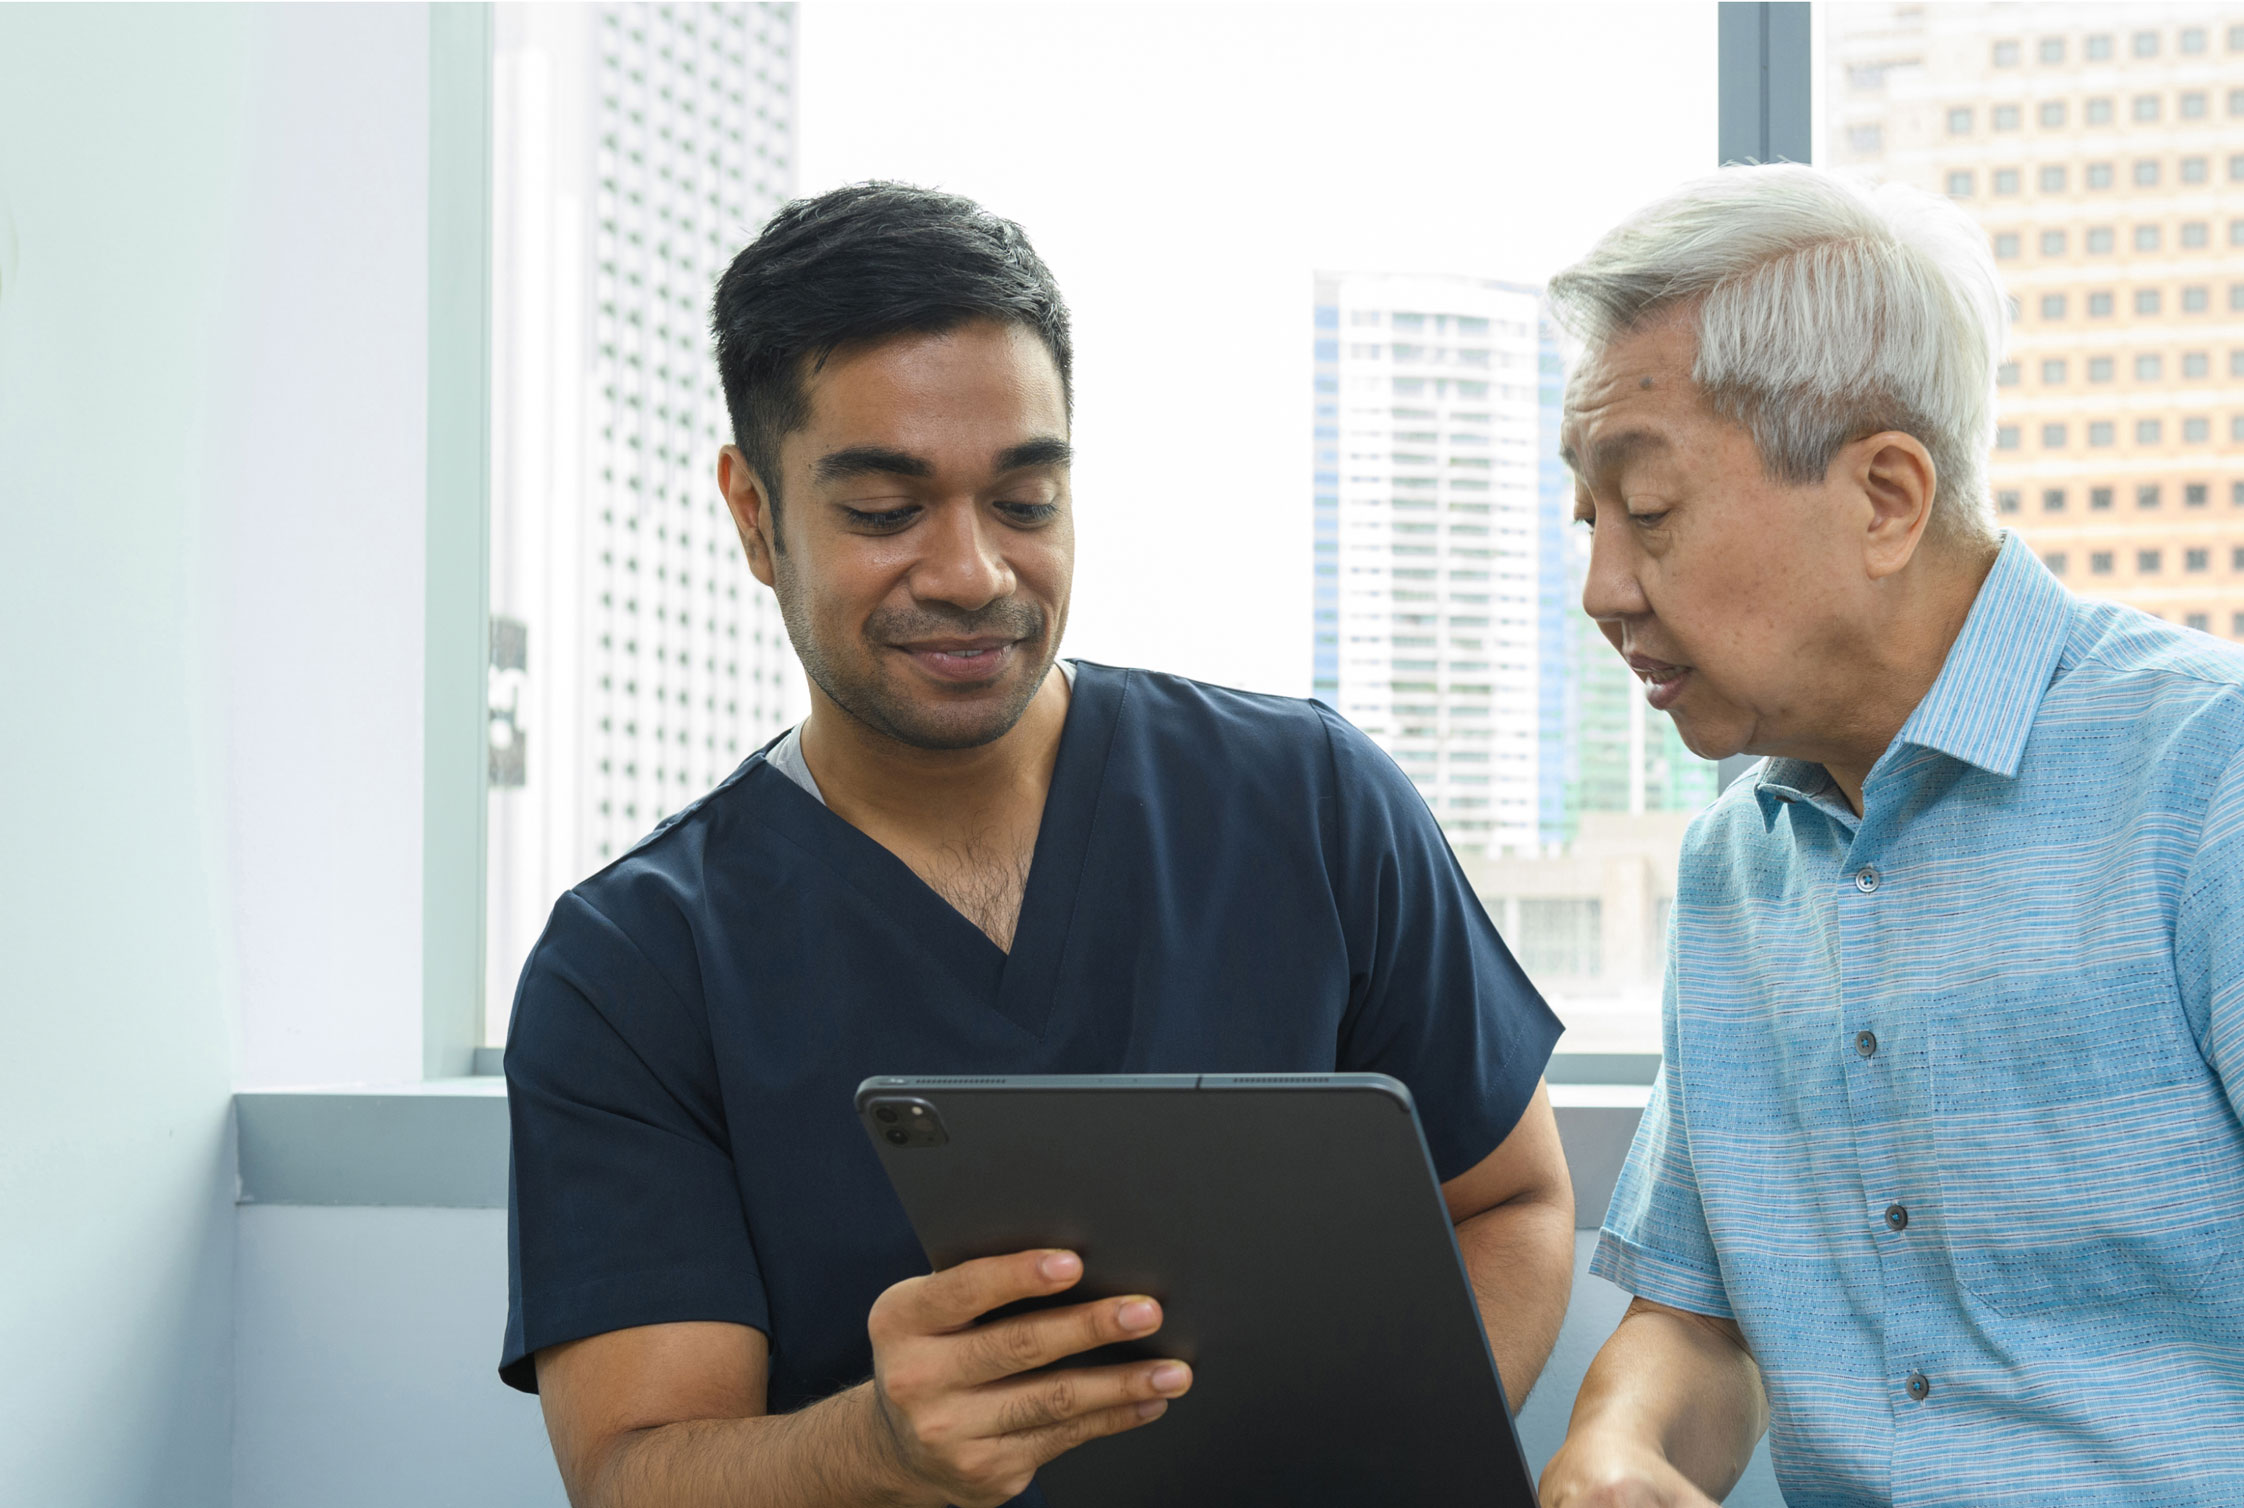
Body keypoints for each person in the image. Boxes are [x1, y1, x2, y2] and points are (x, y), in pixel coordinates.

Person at [498, 182, 1574, 1508]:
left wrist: (1374, 1474)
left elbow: (1510, 1204)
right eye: (884, 512)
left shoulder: (1311, 800)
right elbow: (633, 1469)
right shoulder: (632, 965)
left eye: (1024, 500)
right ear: (755, 516)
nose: (973, 574)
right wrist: (880, 1451)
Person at [1535, 163, 2244, 1508]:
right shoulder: (1736, 865)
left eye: (1650, 514)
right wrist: (1617, 1449)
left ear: (1886, 498)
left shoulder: (2238, 765)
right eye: (1588, 520)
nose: (1602, 588)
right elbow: (1700, 1321)